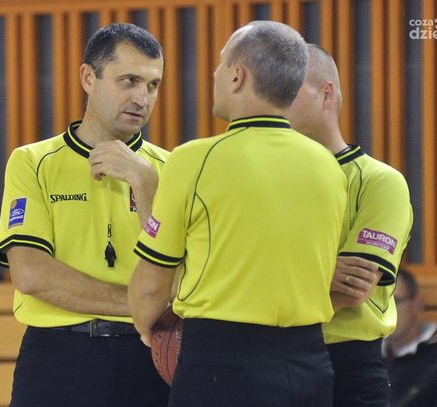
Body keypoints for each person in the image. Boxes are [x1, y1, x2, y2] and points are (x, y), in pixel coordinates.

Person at [128, 21, 347, 407]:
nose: (214, 73)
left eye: (220, 63)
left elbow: (150, 284)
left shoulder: (194, 160)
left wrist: (150, 328)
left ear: (237, 76)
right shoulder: (329, 167)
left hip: (221, 365)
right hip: (310, 362)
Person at [0, 23, 170, 407]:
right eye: (129, 81)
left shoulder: (171, 170)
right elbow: (32, 275)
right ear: (89, 77)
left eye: (153, 85)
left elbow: (184, 275)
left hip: (150, 357)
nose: (142, 97)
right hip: (58, 358)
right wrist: (145, 303)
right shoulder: (32, 162)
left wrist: (146, 185)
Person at [286, 44, 413, 407]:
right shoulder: (261, 181)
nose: (273, 103)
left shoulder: (380, 181)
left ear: (326, 94)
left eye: (287, 90)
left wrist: (257, 285)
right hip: (270, 361)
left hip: (346, 365)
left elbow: (351, 289)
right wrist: (318, 273)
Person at [384, 269, 437, 407]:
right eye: (380, 303)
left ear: (416, 306)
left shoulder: (433, 357)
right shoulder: (365, 355)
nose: (385, 311)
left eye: (395, 301)